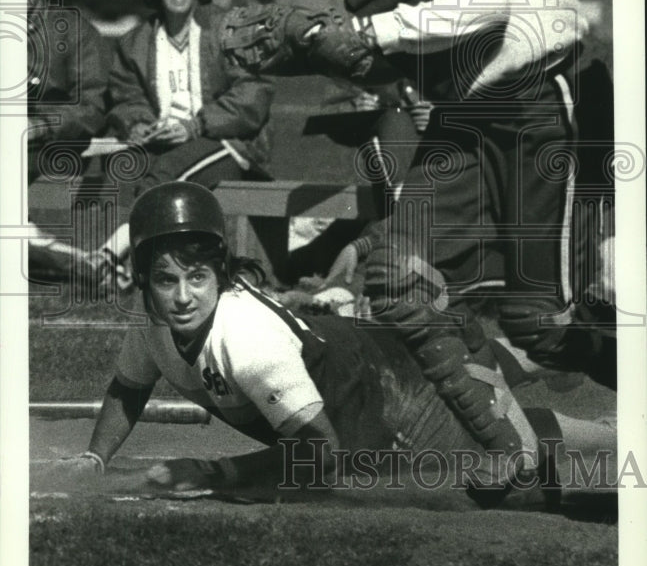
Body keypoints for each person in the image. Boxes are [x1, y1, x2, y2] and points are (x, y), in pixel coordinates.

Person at [220, 0, 615, 457]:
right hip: (466, 112)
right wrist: (298, 49)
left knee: (550, 320)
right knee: (401, 277)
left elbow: (486, 2)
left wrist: (360, 32)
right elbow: (399, 53)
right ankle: (508, 445)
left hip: (537, 97)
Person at [61, 182, 616, 505]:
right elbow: (127, 389)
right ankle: (562, 362)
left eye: (197, 277)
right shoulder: (152, 322)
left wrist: (219, 473)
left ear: (220, 274)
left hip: (397, 396)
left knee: (512, 458)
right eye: (165, 279)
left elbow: (320, 457)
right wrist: (95, 456)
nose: (182, 296)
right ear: (144, 281)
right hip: (366, 356)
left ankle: (609, 413)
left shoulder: (248, 343)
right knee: (497, 376)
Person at [96, 0, 273, 285]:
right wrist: (141, 125)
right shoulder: (136, 42)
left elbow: (253, 94)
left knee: (163, 176)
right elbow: (127, 98)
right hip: (166, 146)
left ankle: (113, 253)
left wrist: (194, 126)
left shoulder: (224, 31)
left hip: (226, 144)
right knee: (148, 169)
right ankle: (143, 271)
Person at [27, 0, 111, 281]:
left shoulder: (73, 29)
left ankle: (48, 254)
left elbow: (93, 106)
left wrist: (41, 125)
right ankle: (59, 256)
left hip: (60, 143)